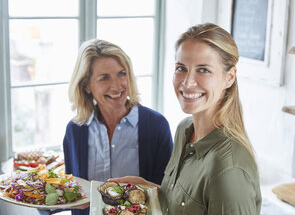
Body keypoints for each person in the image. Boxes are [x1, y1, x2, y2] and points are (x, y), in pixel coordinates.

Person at [110, 23, 262, 214]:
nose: (187, 82)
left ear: (229, 77)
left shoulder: (228, 170)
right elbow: (182, 205)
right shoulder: (185, 130)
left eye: (203, 70)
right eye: (181, 68)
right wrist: (150, 190)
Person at [62, 39, 173, 215]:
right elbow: (73, 191)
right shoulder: (75, 130)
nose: (116, 86)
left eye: (122, 74)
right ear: (86, 86)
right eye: (104, 78)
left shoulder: (156, 126)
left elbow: (169, 195)